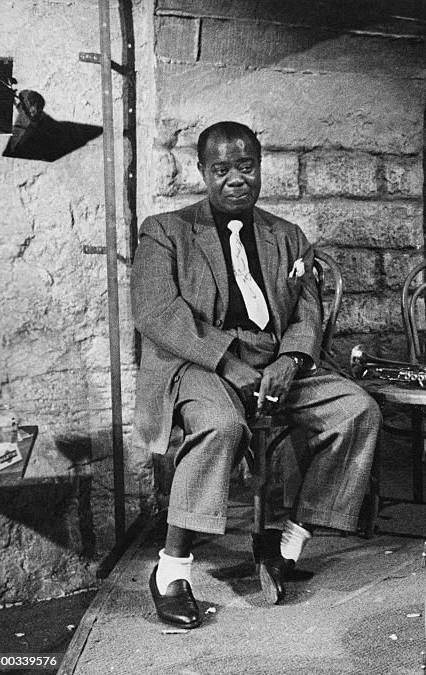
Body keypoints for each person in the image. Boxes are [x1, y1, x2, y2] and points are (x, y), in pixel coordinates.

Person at [132, 121, 381, 629]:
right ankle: (171, 570)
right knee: (222, 424)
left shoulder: (287, 236)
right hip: (199, 362)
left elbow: (307, 314)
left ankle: (290, 539)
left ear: (260, 167)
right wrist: (229, 363)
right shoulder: (166, 231)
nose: (235, 179)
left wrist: (290, 361)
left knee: (357, 410)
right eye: (221, 169)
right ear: (202, 171)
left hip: (275, 360)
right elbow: (158, 313)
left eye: (246, 167)